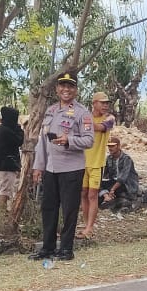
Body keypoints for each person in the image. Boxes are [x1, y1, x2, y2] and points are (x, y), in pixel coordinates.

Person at [29, 72, 94, 261]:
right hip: (51, 168)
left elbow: (89, 140)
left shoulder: (82, 113)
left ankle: (66, 249)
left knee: (69, 210)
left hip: (71, 169)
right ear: (57, 89)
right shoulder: (50, 111)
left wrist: (69, 140)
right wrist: (38, 166)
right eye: (63, 85)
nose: (66, 89)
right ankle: (47, 248)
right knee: (48, 208)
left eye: (70, 86)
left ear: (76, 90)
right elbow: (43, 141)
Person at [78, 91, 115, 240]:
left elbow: (98, 127)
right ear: (94, 103)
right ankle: (86, 224)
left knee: (92, 195)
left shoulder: (109, 118)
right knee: (83, 193)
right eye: (102, 103)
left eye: (107, 103)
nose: (105, 106)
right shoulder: (85, 116)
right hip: (82, 161)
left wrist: (82, 121)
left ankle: (90, 227)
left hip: (97, 163)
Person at [0, 105, 24, 212]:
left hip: (5, 164)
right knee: (5, 191)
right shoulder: (5, 131)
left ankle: (2, 212)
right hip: (7, 165)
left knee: (6, 189)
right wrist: (19, 129)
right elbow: (19, 140)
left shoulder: (2, 129)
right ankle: (0, 213)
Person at [99, 135, 140, 210]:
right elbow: (106, 176)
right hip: (114, 182)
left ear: (118, 146)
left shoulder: (126, 159)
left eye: (112, 146)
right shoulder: (109, 158)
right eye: (109, 146)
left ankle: (109, 198)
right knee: (97, 183)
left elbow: (122, 178)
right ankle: (106, 197)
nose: (110, 148)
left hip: (127, 183)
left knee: (115, 188)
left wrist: (112, 190)